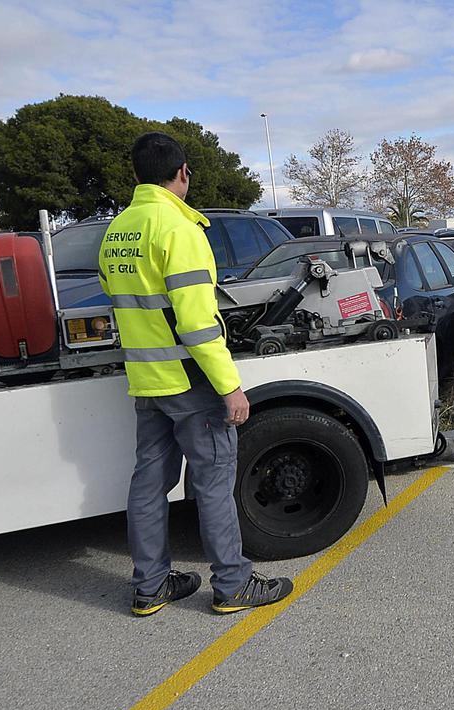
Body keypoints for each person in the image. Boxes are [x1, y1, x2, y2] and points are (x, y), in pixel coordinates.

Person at [100, 132, 293, 616]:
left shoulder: (118, 230)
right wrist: (230, 386)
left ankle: (151, 586)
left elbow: (118, 298)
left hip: (148, 379)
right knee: (213, 485)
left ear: (137, 175)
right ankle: (233, 584)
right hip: (191, 381)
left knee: (148, 484)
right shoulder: (179, 229)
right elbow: (196, 324)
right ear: (182, 172)